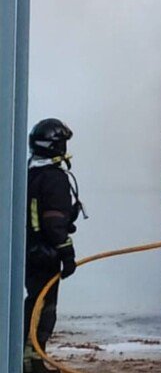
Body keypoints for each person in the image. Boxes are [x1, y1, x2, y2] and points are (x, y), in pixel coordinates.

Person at [24, 118, 85, 373]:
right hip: (45, 254)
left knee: (33, 301)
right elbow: (53, 222)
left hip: (28, 251)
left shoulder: (29, 172)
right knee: (44, 307)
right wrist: (66, 253)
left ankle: (28, 356)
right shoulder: (54, 178)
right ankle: (32, 360)